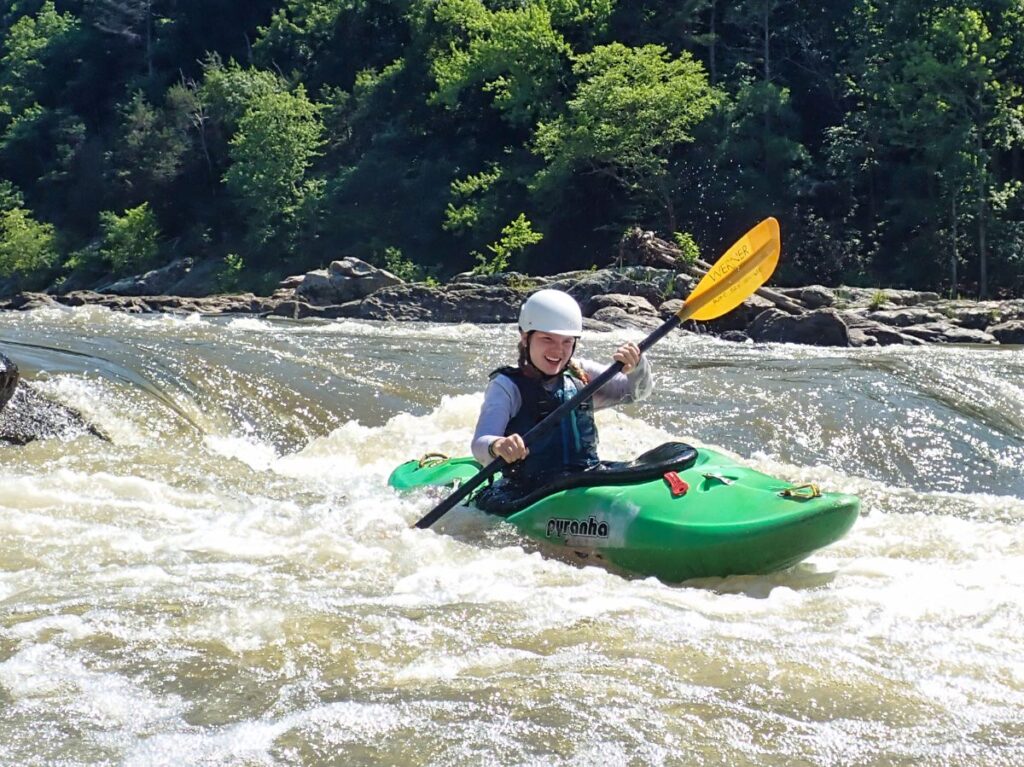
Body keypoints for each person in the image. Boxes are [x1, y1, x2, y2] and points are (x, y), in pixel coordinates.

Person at [471, 288, 653, 496]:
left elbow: (635, 392)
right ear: (525, 337)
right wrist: (498, 445)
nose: (558, 351)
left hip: (584, 478)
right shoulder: (506, 386)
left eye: (567, 341)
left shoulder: (581, 375)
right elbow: (479, 443)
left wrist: (637, 366)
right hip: (529, 491)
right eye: (547, 339)